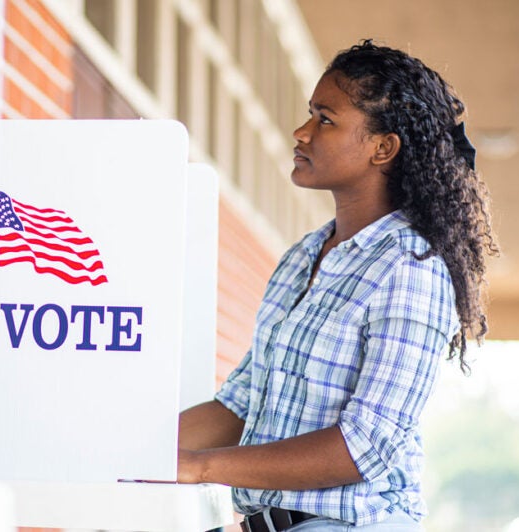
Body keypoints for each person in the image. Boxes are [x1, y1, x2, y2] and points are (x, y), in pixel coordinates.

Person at [176, 40, 499, 531]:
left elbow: (364, 445)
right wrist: (135, 446)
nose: (301, 132)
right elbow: (241, 403)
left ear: (383, 148)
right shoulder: (303, 256)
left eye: (325, 119)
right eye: (309, 114)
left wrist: (200, 467)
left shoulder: (411, 268)